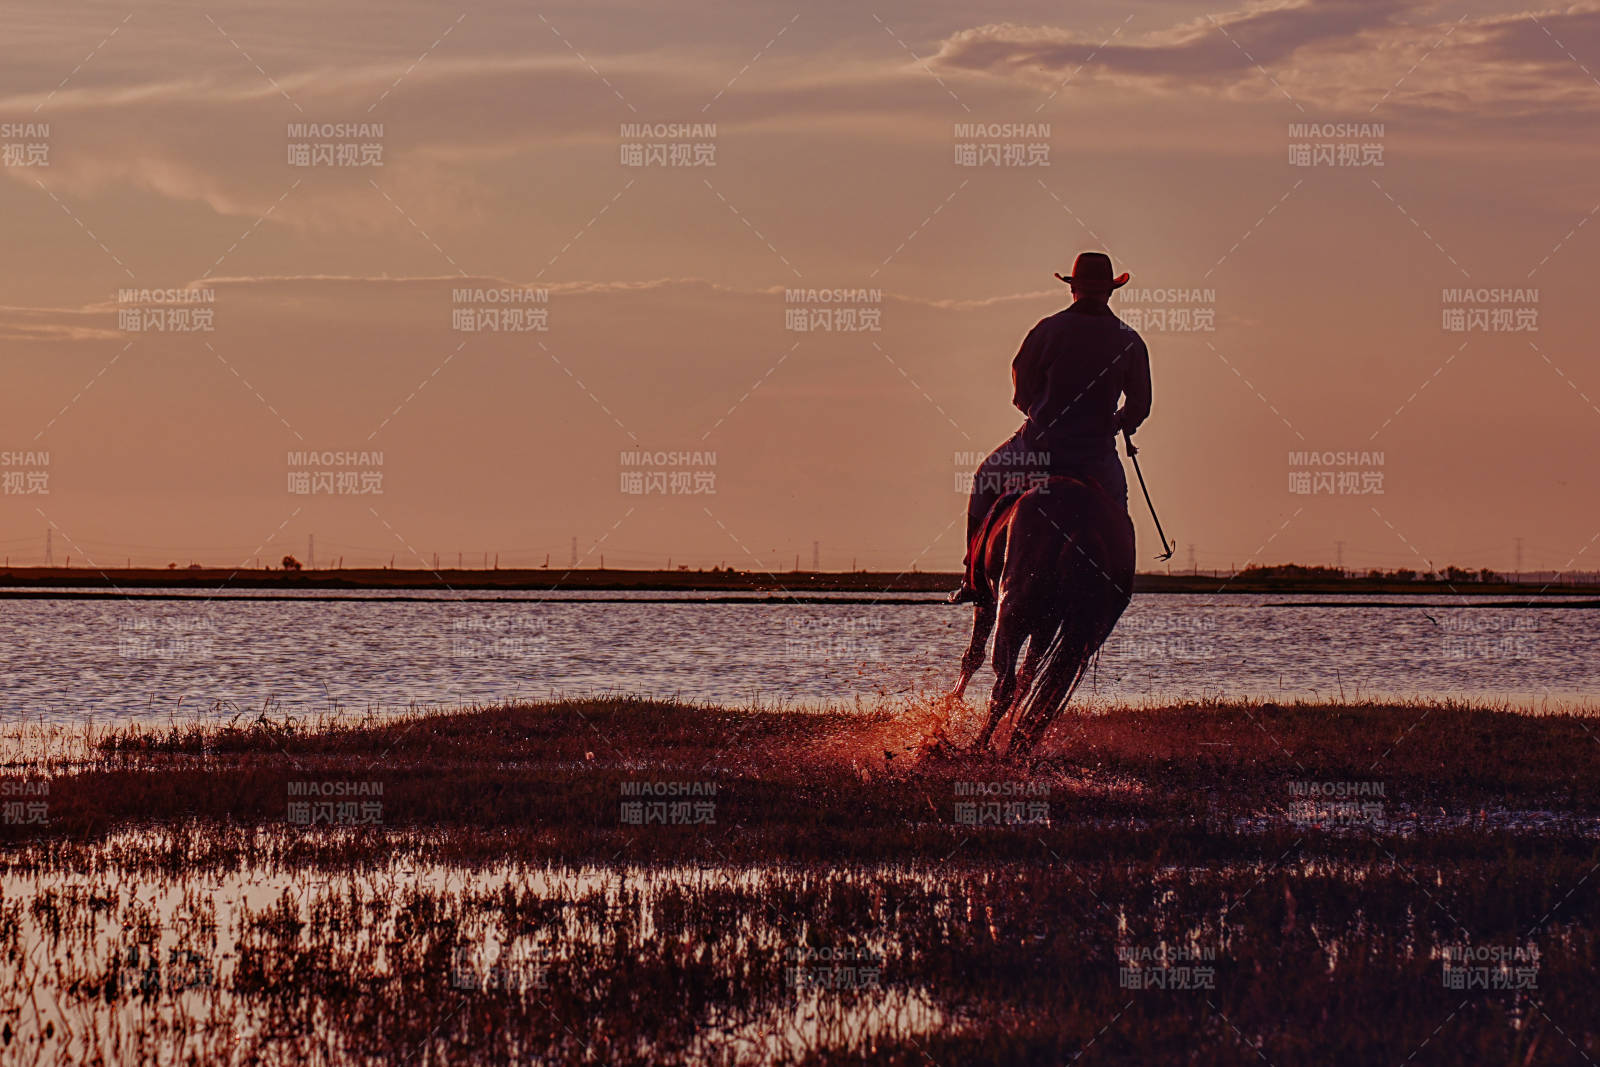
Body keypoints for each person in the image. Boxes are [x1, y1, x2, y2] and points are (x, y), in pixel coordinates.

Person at [950, 251, 1151, 605]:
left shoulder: (1047, 330)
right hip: (1097, 459)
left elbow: (1020, 388)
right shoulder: (1130, 340)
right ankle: (1118, 584)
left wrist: (1039, 411)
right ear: (1110, 291)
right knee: (1118, 517)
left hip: (1037, 450)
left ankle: (972, 577)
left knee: (985, 479)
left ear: (1073, 289)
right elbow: (1139, 406)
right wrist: (1119, 422)